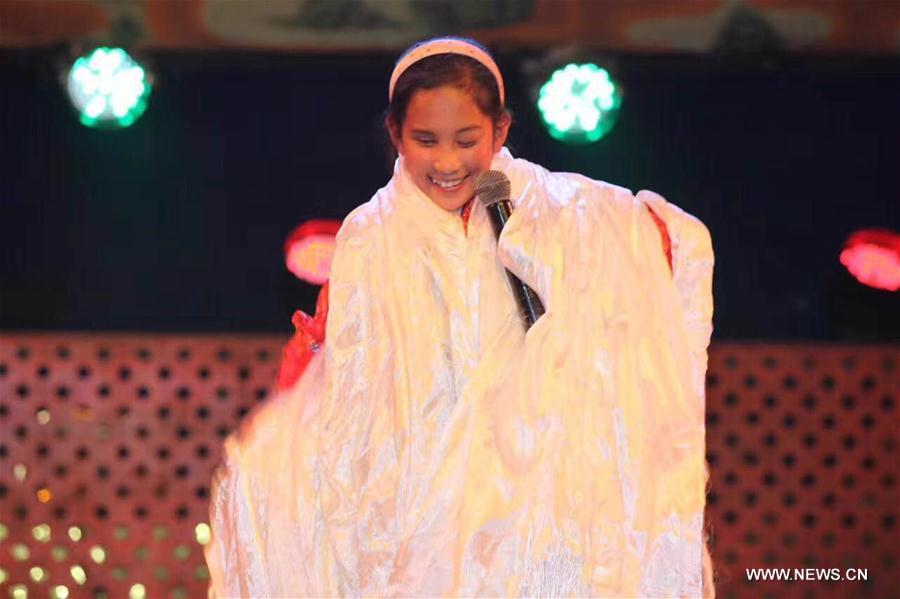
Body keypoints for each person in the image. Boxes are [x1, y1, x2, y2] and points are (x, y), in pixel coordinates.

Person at [206, 37, 715, 598]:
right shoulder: (369, 236)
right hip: (417, 507)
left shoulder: (555, 214)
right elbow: (356, 394)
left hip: (534, 509)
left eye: (466, 140)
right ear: (396, 135)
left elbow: (664, 244)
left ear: (499, 132)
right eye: (426, 141)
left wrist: (641, 244)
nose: (448, 162)